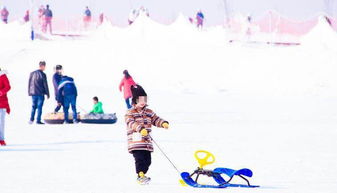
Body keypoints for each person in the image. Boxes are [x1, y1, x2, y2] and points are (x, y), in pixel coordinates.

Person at [125, 85, 169, 184]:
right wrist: (140, 129)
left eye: (144, 99)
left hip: (146, 143)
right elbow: (130, 122)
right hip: (136, 142)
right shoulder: (130, 112)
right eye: (140, 100)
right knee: (140, 160)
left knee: (148, 161)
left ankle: (143, 174)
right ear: (135, 100)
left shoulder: (149, 112)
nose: (143, 102)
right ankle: (140, 176)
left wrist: (163, 123)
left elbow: (155, 119)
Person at [0, 68, 11, 146]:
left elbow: (8, 86)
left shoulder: (3, 76)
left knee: (1, 122)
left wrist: (1, 92)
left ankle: (1, 139)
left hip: (2, 103)